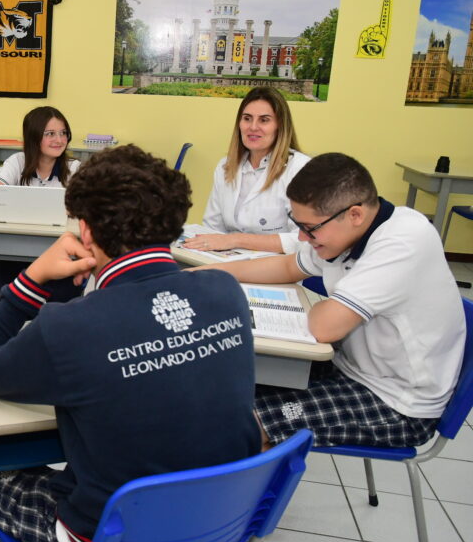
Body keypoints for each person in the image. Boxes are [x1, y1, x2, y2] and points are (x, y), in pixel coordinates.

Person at [0, 145, 260, 542]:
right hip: (218, 530)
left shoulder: (70, 326)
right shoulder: (225, 289)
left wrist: (34, 277)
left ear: (85, 230)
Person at [197, 153, 465, 449]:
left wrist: (329, 307)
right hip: (347, 365)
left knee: (242, 427)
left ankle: (244, 489)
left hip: (394, 401)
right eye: (297, 223)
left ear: (354, 215)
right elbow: (287, 267)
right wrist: (202, 275)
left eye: (310, 228)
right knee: (224, 384)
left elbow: (324, 328)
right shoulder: (345, 233)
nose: (302, 236)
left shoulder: (403, 240)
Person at [0, 106, 84, 315]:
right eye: (50, 134)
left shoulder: (74, 168)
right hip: (14, 252)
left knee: (64, 293)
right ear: (34, 137)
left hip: (60, 256)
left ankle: (49, 343)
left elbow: (84, 208)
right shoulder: (17, 162)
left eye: (63, 133)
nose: (59, 140)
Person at [182, 86, 310, 255]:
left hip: (279, 268)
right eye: (247, 118)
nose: (253, 127)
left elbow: (304, 241)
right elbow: (212, 229)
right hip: (228, 262)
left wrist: (236, 239)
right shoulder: (225, 167)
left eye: (264, 120)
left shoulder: (300, 169)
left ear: (280, 126)